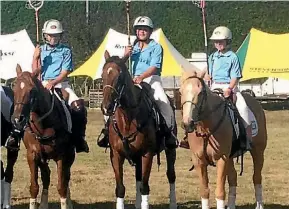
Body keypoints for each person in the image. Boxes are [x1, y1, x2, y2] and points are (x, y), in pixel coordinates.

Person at [97, 16, 178, 149]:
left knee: (163, 102)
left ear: (150, 31)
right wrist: (125, 55)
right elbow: (119, 66)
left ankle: (169, 133)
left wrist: (142, 76)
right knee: (113, 102)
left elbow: (154, 67)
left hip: (151, 80)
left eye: (145, 29)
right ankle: (107, 131)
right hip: (133, 80)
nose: (142, 32)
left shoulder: (156, 47)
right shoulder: (131, 48)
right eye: (139, 29)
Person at [31, 19, 89, 153]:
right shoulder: (40, 50)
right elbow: (35, 72)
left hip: (61, 84)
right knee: (29, 106)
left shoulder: (66, 50)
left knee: (78, 107)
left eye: (56, 35)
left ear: (60, 36)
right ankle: (20, 134)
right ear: (45, 35)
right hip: (43, 84)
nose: (53, 38)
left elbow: (65, 71)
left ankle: (78, 138)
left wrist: (54, 83)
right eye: (51, 35)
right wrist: (35, 58)